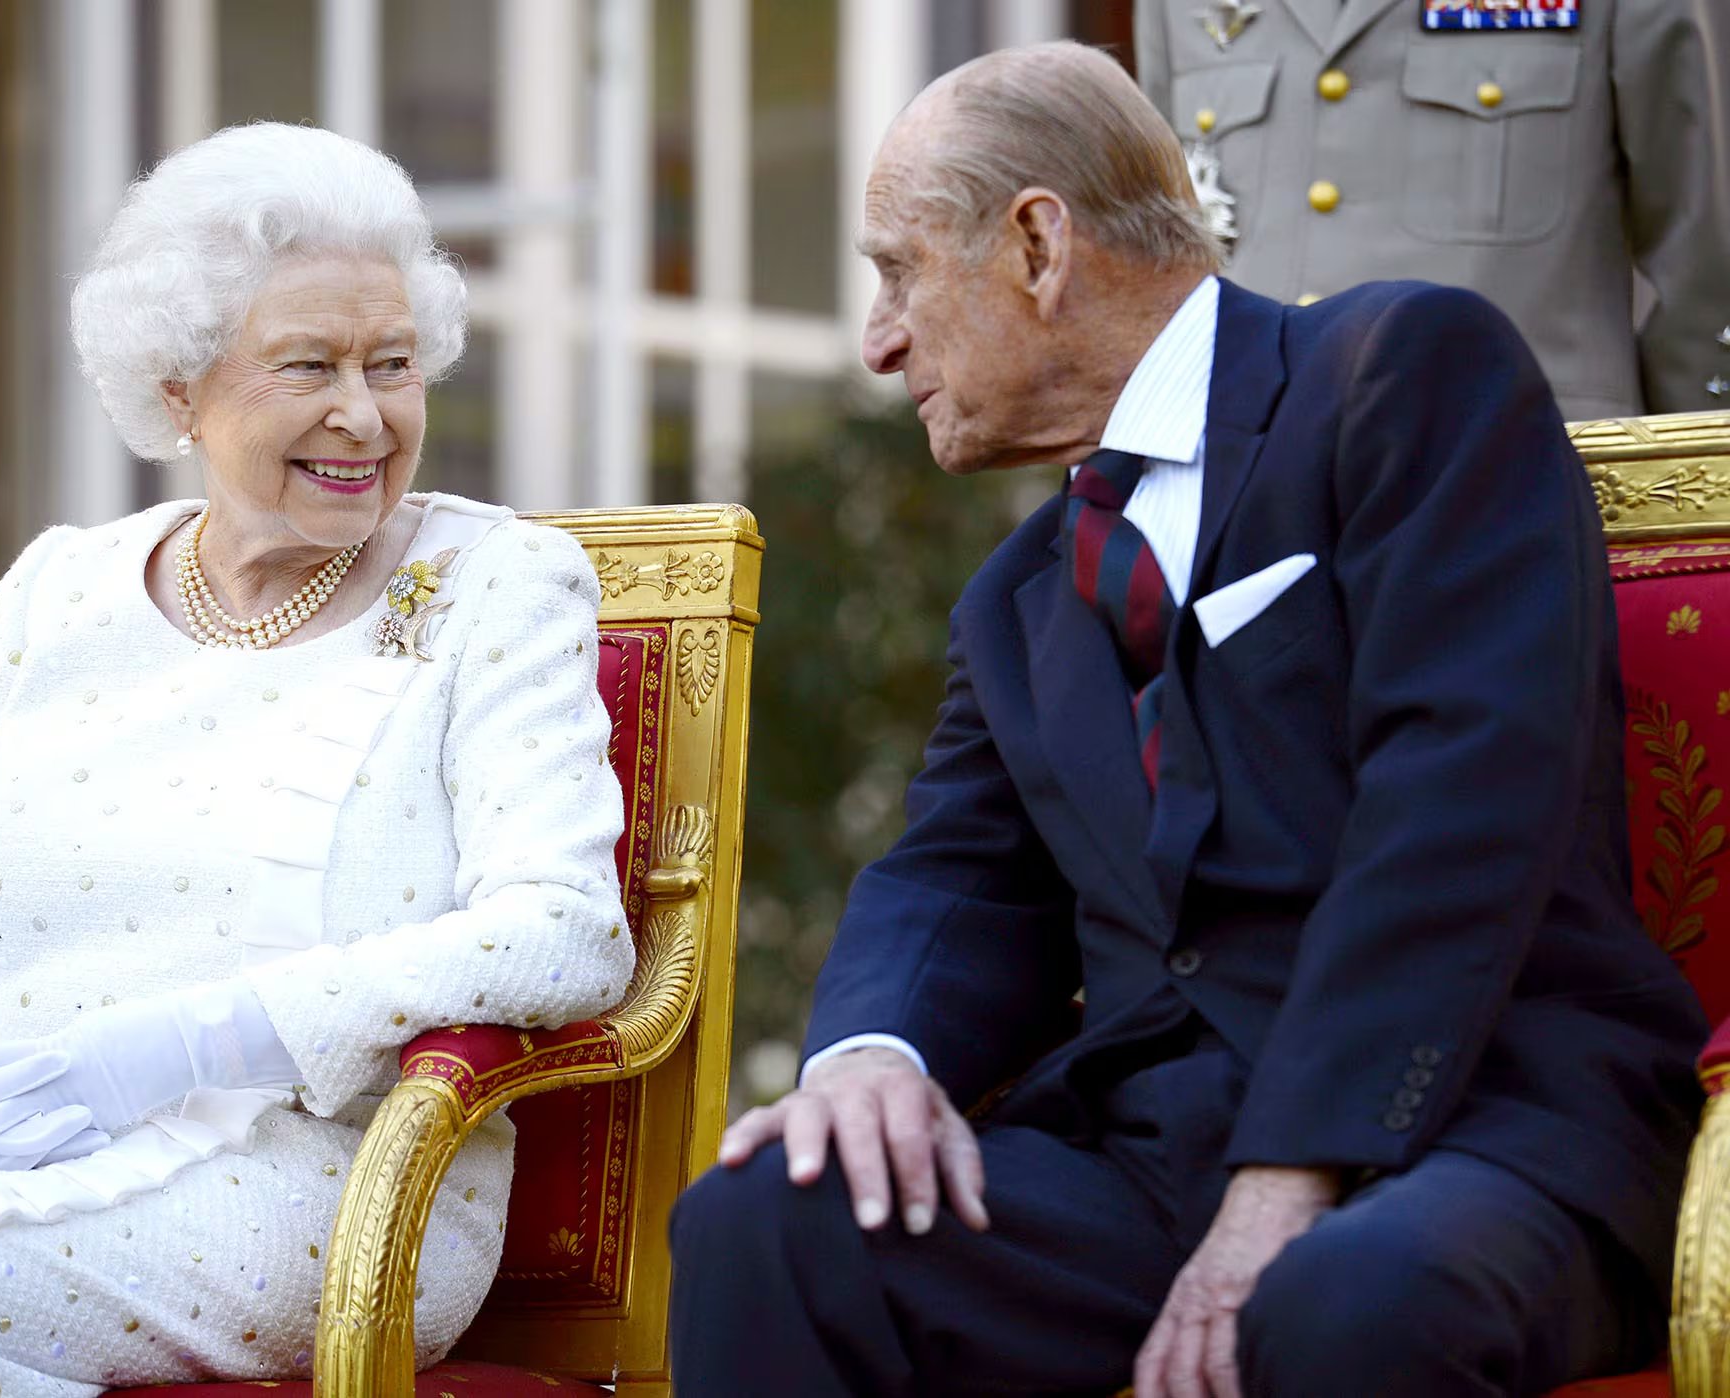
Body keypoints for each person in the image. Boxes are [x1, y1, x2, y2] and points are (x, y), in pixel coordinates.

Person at [669, 41, 1706, 1398]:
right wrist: (873, 1056)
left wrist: (1289, 1179)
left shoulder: (1403, 375)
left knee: (1344, 1300)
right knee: (773, 1220)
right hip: (1158, 1164)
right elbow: (958, 874)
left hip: (1472, 1124)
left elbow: (1458, 803)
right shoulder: (1019, 596)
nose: (879, 342)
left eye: (898, 270)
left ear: (1039, 242)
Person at [0, 122, 634, 1398]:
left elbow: (563, 930)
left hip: (325, 1189)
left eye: (394, 364)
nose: (362, 415)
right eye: (308, 365)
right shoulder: (56, 593)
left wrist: (189, 1043)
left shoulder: (494, 584)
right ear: (178, 389)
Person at [1132, 0, 1730, 421]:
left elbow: (1708, 257)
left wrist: (1693, 486)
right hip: (1250, 497)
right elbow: (1158, 246)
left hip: (1525, 491)